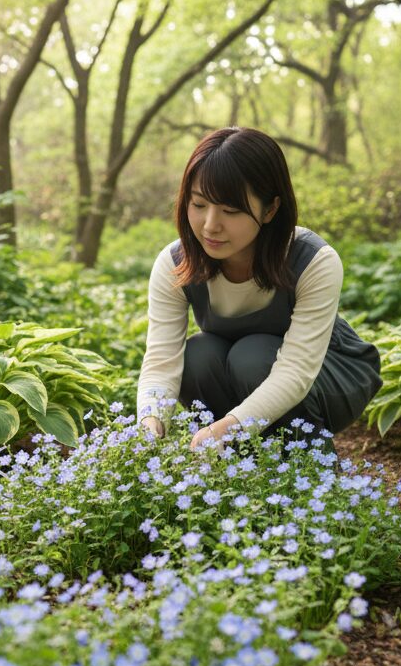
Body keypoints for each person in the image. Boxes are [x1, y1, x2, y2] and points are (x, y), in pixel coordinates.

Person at [136, 126, 381, 450]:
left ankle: (308, 472)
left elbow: (295, 372)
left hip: (327, 373)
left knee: (251, 356)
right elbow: (161, 360)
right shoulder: (176, 263)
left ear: (270, 209)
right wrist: (149, 427)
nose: (210, 225)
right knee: (197, 356)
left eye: (231, 210)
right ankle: (237, 469)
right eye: (198, 205)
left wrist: (224, 429)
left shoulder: (313, 260)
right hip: (247, 371)